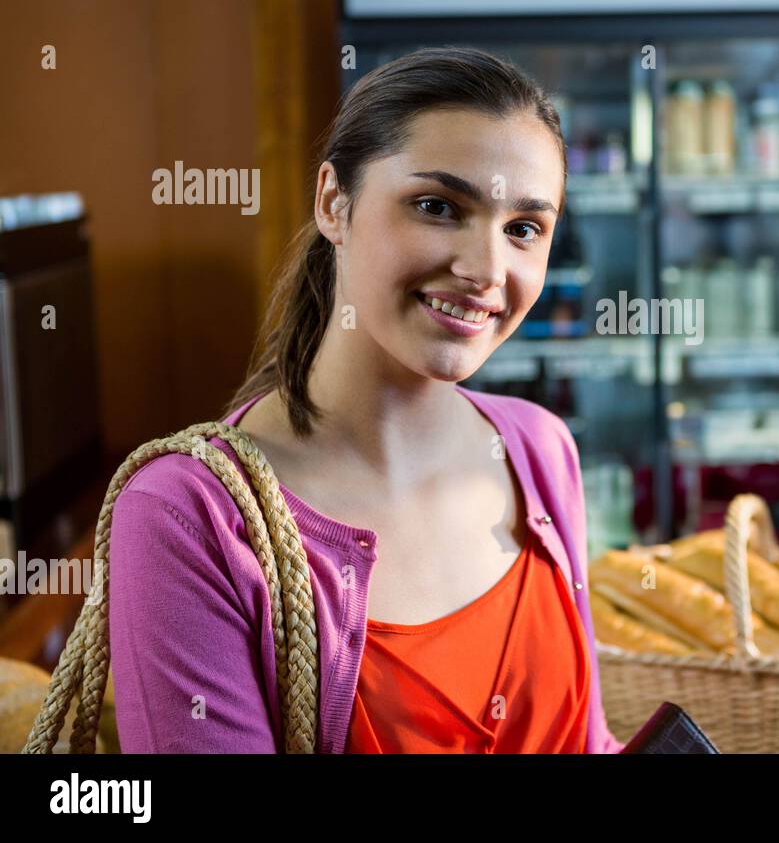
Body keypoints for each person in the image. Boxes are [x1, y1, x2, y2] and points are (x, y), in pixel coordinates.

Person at [108, 46, 625, 753]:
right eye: (438, 207)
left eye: (524, 229)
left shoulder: (539, 448)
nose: (485, 269)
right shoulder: (189, 516)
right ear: (333, 203)